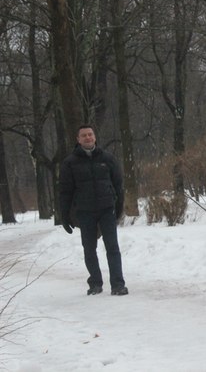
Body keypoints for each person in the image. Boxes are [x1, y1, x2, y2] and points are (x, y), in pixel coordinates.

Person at [59, 125, 128, 296]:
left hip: (107, 209)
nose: (88, 138)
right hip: (84, 211)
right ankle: (95, 283)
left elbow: (118, 185)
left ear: (95, 137)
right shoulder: (70, 163)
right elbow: (65, 191)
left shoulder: (107, 158)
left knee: (112, 247)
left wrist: (118, 207)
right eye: (84, 135)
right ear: (78, 139)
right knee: (89, 248)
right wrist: (64, 215)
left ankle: (118, 284)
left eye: (90, 134)